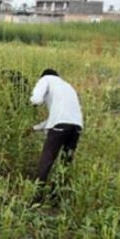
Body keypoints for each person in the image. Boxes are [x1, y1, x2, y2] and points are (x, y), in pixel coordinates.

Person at [29, 68, 83, 204]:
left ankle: (36, 198)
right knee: (65, 162)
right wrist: (34, 128)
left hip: (60, 125)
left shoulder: (45, 79)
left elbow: (36, 100)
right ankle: (56, 197)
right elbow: (59, 118)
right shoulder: (67, 86)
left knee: (46, 160)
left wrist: (30, 102)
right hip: (76, 126)